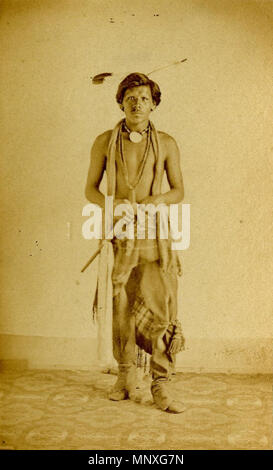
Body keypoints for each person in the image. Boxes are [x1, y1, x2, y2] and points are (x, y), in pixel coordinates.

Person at [85, 73, 185, 413]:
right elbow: (90, 190)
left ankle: (161, 382)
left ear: (154, 104)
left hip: (156, 236)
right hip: (119, 234)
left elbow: (178, 190)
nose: (137, 103)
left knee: (161, 307)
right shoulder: (104, 141)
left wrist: (157, 202)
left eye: (144, 98)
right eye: (130, 97)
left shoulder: (168, 143)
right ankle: (125, 376)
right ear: (120, 102)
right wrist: (114, 207)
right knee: (121, 307)